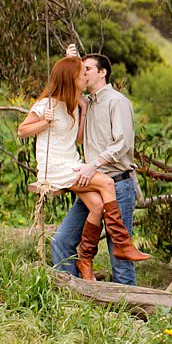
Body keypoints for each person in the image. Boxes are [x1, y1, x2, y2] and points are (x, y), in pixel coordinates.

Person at [18, 56, 149, 280]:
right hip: (87, 177)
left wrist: (93, 165)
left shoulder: (116, 102)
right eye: (82, 71)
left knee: (119, 256)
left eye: (88, 69)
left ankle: (127, 309)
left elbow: (123, 143)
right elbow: (66, 71)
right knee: (62, 240)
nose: (84, 74)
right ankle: (75, 289)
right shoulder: (80, 101)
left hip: (115, 181)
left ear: (102, 73)